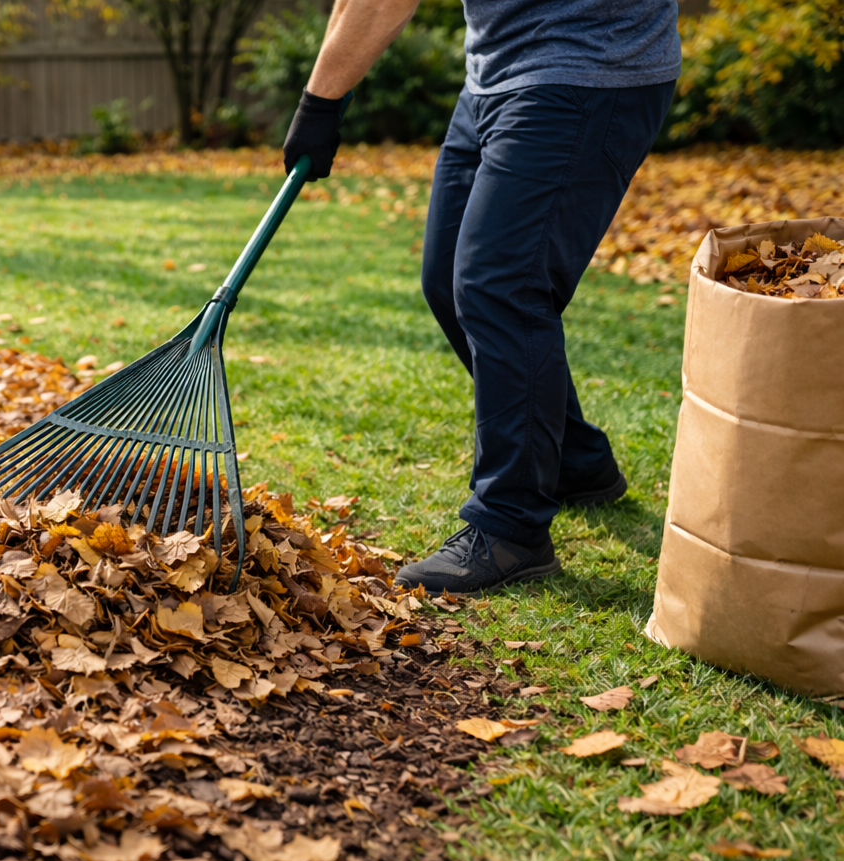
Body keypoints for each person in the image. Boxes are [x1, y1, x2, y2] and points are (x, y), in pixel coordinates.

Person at [282, 0, 680, 594]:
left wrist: (321, 101)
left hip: (587, 61)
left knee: (502, 285)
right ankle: (574, 459)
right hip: (496, 73)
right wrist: (322, 97)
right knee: (448, 279)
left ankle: (511, 525)